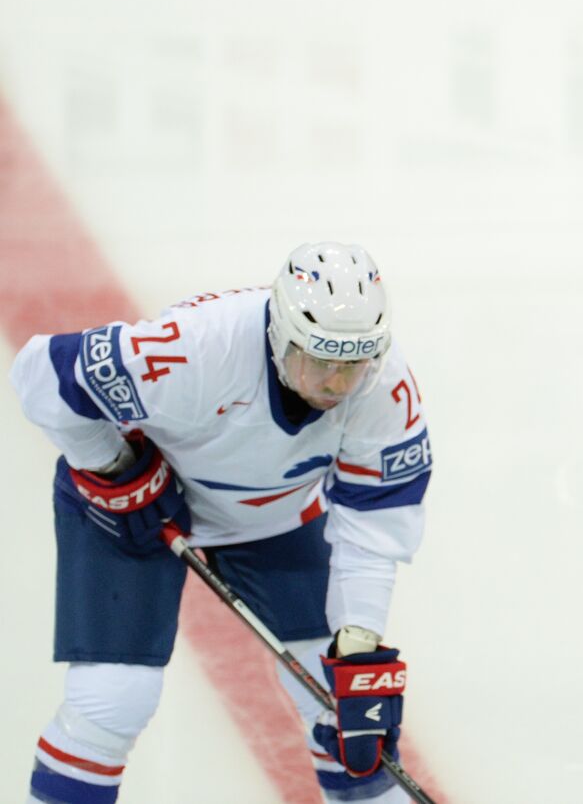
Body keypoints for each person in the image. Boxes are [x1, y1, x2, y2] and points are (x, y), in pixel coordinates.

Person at [10, 242, 431, 804]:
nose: (335, 385)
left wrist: (357, 648)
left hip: (275, 513)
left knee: (343, 709)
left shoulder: (385, 390)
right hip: (135, 513)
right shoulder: (197, 347)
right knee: (113, 698)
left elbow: (374, 523)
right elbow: (41, 374)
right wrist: (111, 466)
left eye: (352, 366)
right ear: (281, 339)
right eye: (320, 362)